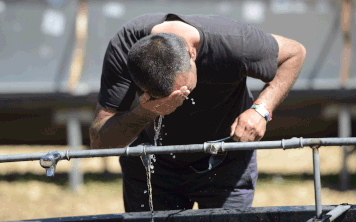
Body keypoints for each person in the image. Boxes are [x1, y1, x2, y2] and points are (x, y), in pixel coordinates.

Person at [90, 13, 306, 212]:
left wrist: (261, 110)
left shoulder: (233, 41)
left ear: (192, 53)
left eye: (185, 91)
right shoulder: (125, 47)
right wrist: (148, 111)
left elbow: (295, 53)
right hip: (153, 166)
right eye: (159, 97)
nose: (179, 100)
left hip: (226, 161)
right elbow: (99, 141)